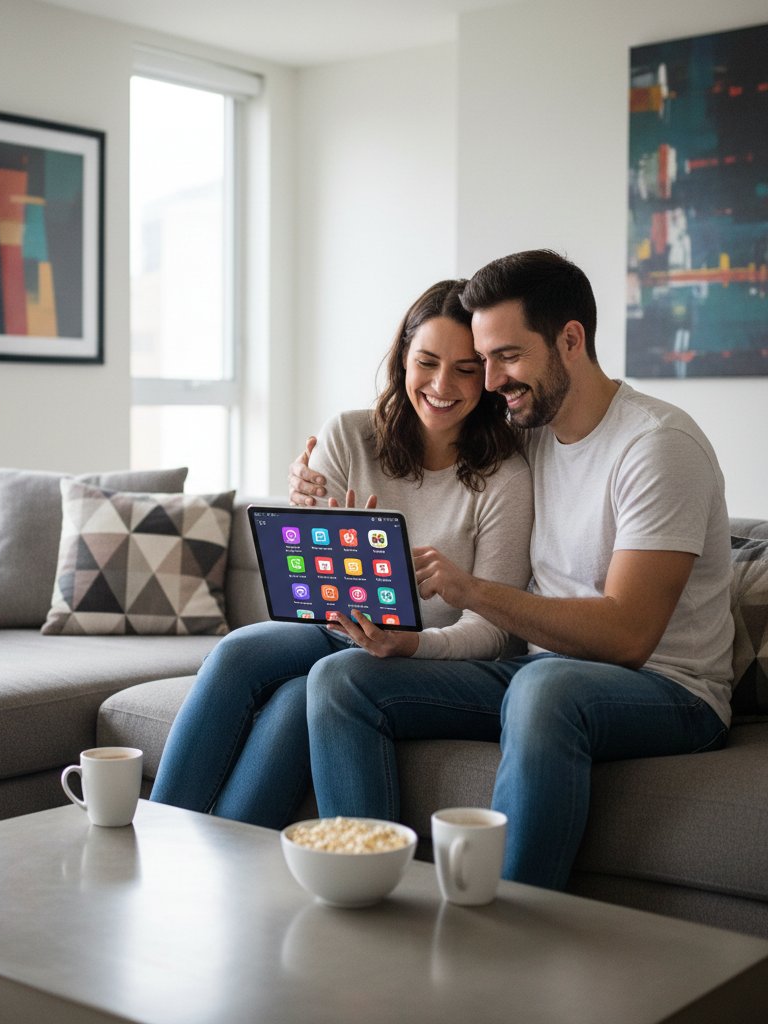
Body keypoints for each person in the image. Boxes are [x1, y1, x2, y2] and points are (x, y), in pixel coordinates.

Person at [290, 249, 734, 890]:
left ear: (571, 340)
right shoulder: (531, 429)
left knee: (543, 688)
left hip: (672, 690)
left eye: (507, 356)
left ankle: (514, 937)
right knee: (341, 680)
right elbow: (425, 426)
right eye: (485, 359)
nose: (491, 381)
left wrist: (472, 590)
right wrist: (306, 485)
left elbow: (628, 637)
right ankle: (370, 896)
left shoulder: (657, 447)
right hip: (540, 669)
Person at [150, 279, 534, 828]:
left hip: (438, 655)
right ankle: (160, 839)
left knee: (294, 704)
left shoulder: (505, 477)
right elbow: (301, 576)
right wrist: (304, 515)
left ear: (488, 377)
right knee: (237, 652)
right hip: (334, 629)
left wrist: (411, 643)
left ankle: (230, 864)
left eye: (466, 369)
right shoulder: (350, 435)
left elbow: (495, 631)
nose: (442, 384)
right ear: (402, 357)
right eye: (426, 361)